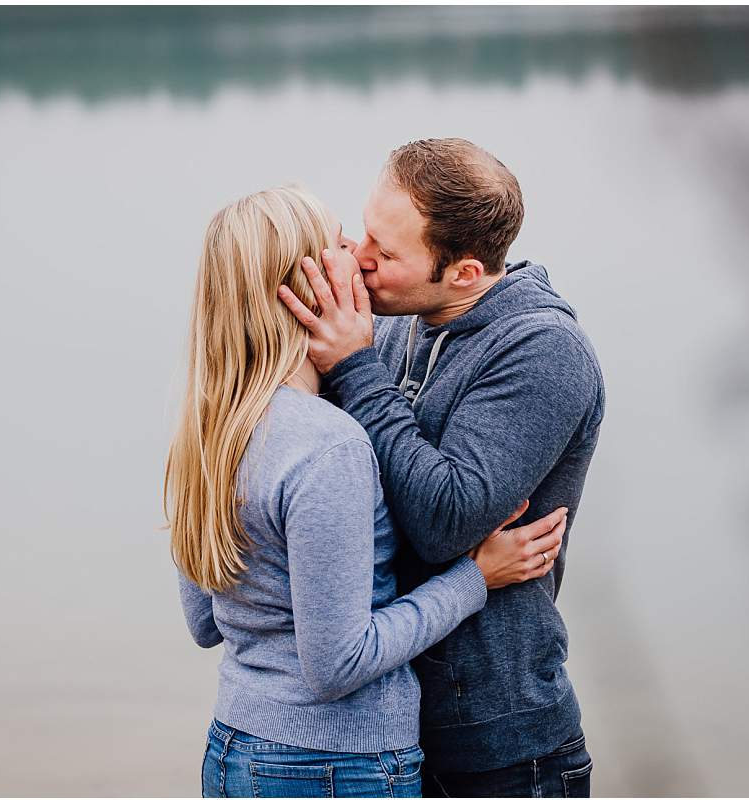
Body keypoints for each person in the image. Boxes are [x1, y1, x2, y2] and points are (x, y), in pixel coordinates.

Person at [166, 185, 570, 798]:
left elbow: (206, 622)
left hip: (233, 751)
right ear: (303, 289)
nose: (355, 254)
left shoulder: (209, 430)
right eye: (337, 246)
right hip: (334, 764)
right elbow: (337, 666)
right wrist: (474, 578)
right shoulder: (330, 447)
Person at [278, 138, 606, 797]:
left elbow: (439, 520)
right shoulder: (401, 320)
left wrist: (352, 368)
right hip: (390, 731)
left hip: (504, 748)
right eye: (365, 231)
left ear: (465, 273)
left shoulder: (543, 349)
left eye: (387, 252)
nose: (362, 260)